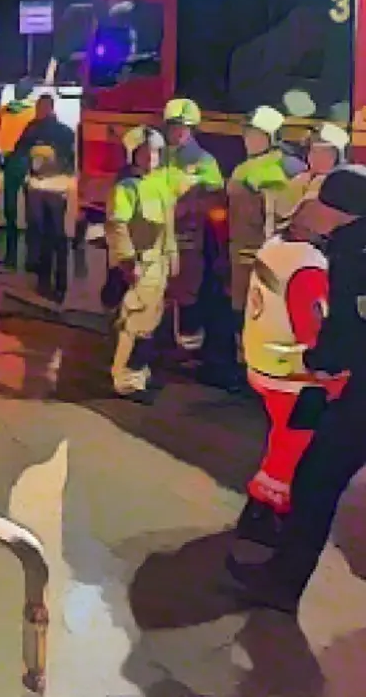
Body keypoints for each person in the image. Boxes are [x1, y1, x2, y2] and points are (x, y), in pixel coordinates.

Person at [226, 166, 366, 615]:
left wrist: (317, 363)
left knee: (315, 479)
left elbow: (343, 330)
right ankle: (282, 580)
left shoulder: (350, 255)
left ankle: (282, 584)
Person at [235, 195, 346, 547]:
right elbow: (314, 332)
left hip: (263, 360)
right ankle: (264, 513)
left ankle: (263, 510)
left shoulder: (275, 247)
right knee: (291, 445)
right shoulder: (308, 266)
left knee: (282, 440)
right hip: (293, 375)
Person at [102, 126, 177, 405]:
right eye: (145, 153)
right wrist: (127, 261)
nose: (151, 158)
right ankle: (126, 379)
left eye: (156, 152)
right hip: (140, 264)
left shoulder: (158, 183)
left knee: (150, 321)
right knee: (134, 322)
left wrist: (172, 255)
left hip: (158, 263)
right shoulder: (125, 188)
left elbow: (168, 224)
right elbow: (117, 226)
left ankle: (140, 373)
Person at [160, 97, 225, 356]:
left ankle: (189, 350)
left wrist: (188, 210)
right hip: (159, 235)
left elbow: (215, 200)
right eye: (174, 126)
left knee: (188, 290)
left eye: (184, 127)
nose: (178, 132)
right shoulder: (158, 156)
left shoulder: (205, 161)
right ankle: (163, 342)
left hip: (189, 237)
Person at [228, 107, 304, 321]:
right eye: (247, 134)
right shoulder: (245, 168)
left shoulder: (287, 169)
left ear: (272, 138)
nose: (249, 140)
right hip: (244, 253)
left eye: (256, 135)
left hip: (266, 252)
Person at [13, 94, 76, 303]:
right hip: (58, 189)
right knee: (56, 236)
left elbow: (19, 152)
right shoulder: (66, 132)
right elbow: (72, 159)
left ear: (46, 108)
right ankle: (60, 283)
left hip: (40, 188)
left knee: (41, 233)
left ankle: (44, 279)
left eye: (40, 107)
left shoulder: (33, 129)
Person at [0, 84, 38, 268]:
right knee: (30, 196)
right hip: (26, 157)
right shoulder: (34, 111)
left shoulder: (6, 110)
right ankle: (31, 230)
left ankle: (11, 228)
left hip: (8, 157)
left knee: (10, 196)